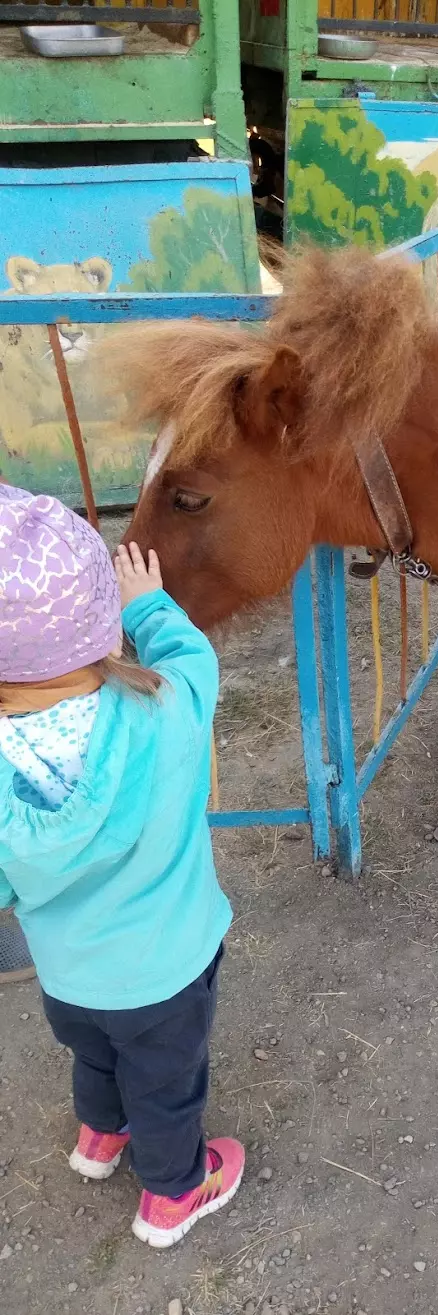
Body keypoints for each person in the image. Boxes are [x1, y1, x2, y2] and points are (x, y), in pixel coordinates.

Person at [0, 484, 243, 1247]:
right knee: (167, 1082)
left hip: (68, 977)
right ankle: (174, 1191)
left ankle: (100, 1138)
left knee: (95, 1053)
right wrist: (148, 605)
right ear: (97, 624)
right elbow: (192, 656)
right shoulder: (162, 712)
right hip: (163, 972)